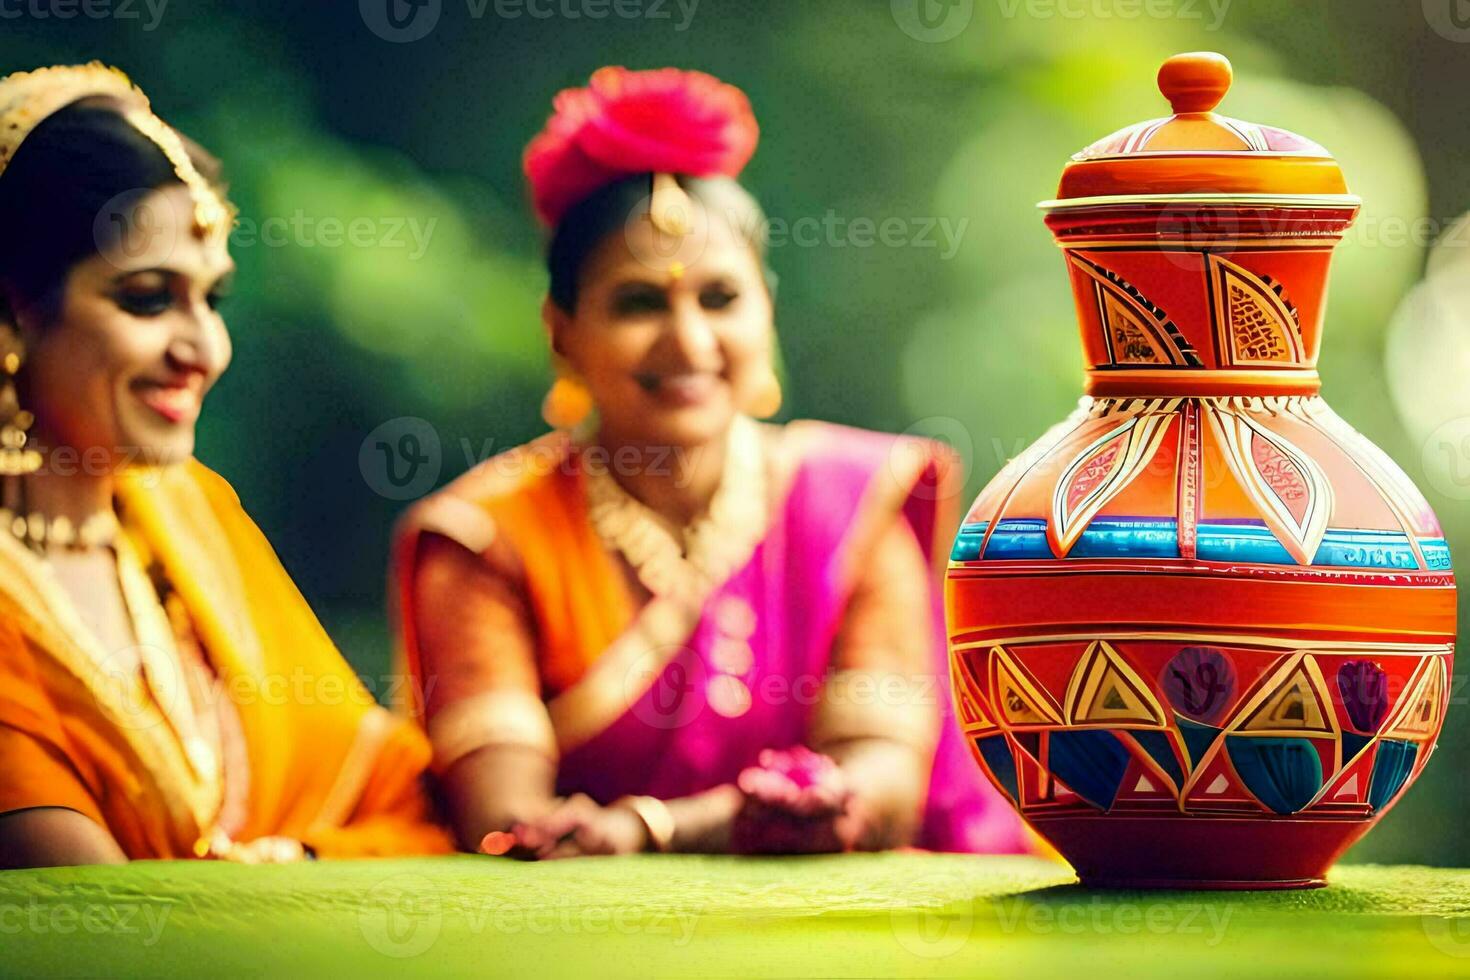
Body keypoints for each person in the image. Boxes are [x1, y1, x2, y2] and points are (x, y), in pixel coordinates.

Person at [393, 66, 1027, 858]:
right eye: (638, 302)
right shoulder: (486, 538)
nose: (689, 343)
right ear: (561, 330)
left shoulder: (849, 502)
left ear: (767, 311)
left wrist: (655, 828)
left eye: (721, 299)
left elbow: (882, 790)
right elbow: (509, 822)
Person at [0, 64, 450, 868]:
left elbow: (394, 798)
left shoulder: (191, 516)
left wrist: (301, 865)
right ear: (14, 310)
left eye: (214, 300)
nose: (205, 350)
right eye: (146, 298)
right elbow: (81, 907)